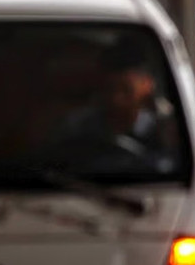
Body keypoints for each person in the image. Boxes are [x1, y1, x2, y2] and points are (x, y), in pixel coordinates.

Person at [47, 47, 180, 173]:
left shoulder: (163, 131)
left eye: (126, 90)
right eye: (108, 89)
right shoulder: (75, 127)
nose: (115, 99)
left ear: (146, 86)